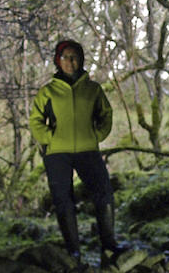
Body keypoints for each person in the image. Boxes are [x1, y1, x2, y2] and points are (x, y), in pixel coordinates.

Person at [29, 39, 119, 260]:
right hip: (57, 154)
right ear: (58, 61)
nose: (71, 61)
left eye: (75, 56)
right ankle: (74, 252)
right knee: (63, 200)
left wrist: (96, 136)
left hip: (88, 150)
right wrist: (50, 139)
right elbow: (35, 120)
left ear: (81, 59)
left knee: (104, 193)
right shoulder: (48, 91)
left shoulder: (93, 89)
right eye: (66, 57)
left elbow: (106, 115)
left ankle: (109, 247)